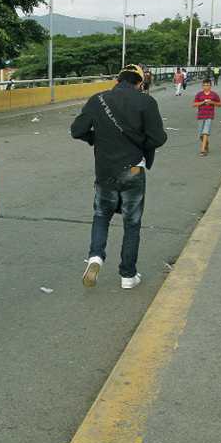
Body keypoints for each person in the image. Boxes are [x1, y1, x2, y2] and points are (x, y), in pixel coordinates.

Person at [71, 64, 167, 289]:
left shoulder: (98, 99)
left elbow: (77, 130)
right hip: (133, 169)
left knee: (101, 215)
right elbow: (158, 138)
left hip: (105, 170)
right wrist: (139, 143)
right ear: (140, 83)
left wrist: (96, 138)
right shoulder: (146, 102)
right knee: (131, 223)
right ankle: (127, 275)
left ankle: (95, 257)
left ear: (117, 80)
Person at [192, 78, 221, 156]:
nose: (206, 87)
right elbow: (194, 104)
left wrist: (212, 102)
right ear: (202, 86)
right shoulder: (199, 94)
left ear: (210, 86)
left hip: (209, 115)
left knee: (205, 132)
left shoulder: (214, 94)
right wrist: (202, 102)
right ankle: (206, 144)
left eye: (208, 85)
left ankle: (202, 150)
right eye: (204, 85)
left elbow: (220, 104)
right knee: (200, 135)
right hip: (201, 115)